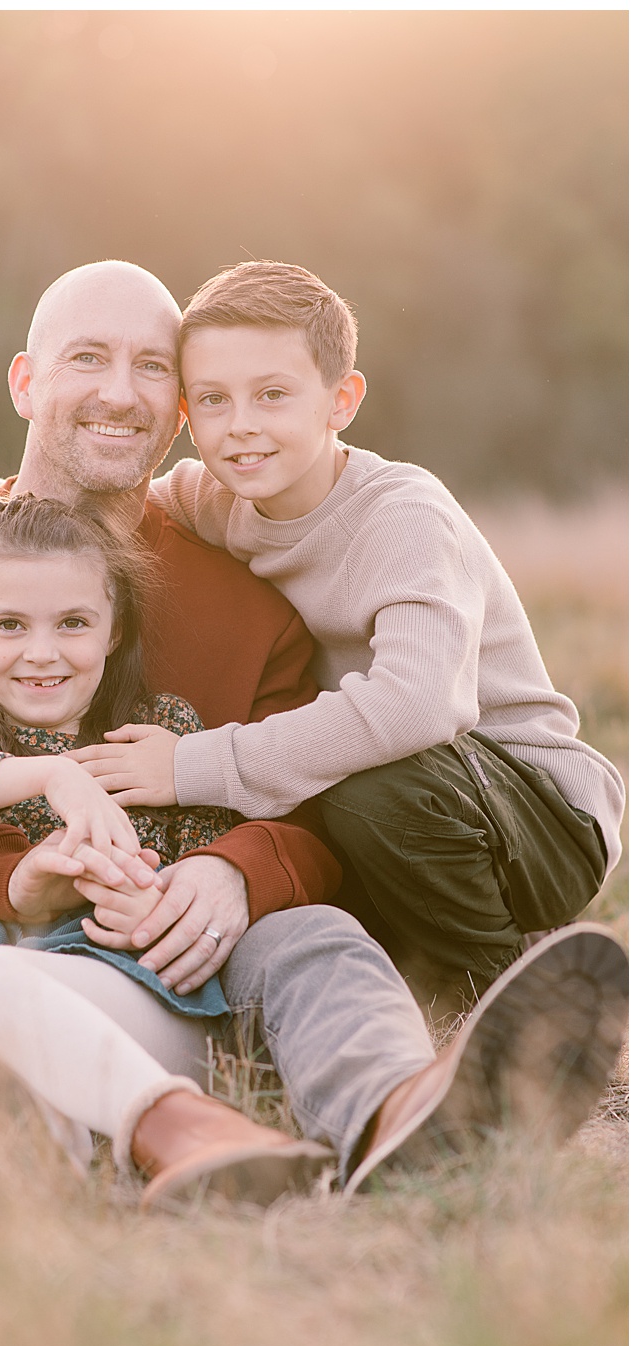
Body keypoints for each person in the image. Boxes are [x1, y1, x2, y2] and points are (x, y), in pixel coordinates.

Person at [0, 260, 627, 1223]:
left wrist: (237, 872)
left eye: (152, 368)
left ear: (177, 411)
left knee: (311, 933)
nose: (119, 392)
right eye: (87, 358)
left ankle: (399, 1101)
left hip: (179, 940)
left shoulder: (241, 578)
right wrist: (14, 885)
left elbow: (317, 798)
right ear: (24, 382)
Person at [66, 260, 623, 1011]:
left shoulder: (401, 514)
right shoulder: (212, 498)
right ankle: (404, 982)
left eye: (271, 395)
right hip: (393, 807)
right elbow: (72, 499)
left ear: (341, 399)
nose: (241, 427)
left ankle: (508, 1000)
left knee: (373, 787)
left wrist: (192, 765)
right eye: (212, 401)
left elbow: (414, 708)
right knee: (322, 830)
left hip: (535, 816)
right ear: (186, 416)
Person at [0, 492, 334, 1206]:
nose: (41, 653)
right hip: (13, 1000)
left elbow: (198, 857)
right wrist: (51, 776)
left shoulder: (154, 732)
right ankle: (60, 1178)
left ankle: (199, 1134)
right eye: (8, 625)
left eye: (73, 624)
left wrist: (144, 893)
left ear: (112, 632)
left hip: (138, 995)